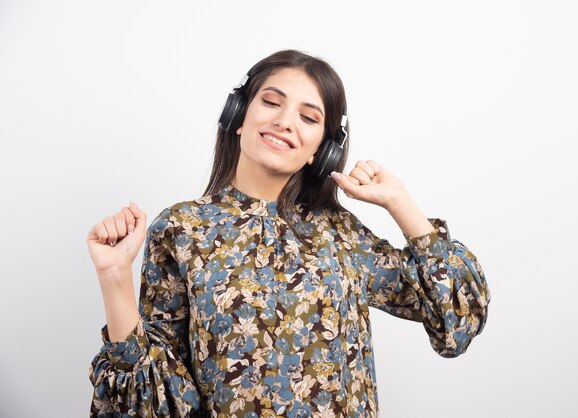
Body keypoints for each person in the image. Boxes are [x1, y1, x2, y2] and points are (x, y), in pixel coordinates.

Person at [86, 49, 491, 417]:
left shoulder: (340, 234)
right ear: (237, 116)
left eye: (309, 117)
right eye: (271, 102)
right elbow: (159, 403)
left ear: (322, 149)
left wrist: (399, 201)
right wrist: (114, 276)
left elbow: (457, 321)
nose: (284, 121)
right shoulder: (181, 230)